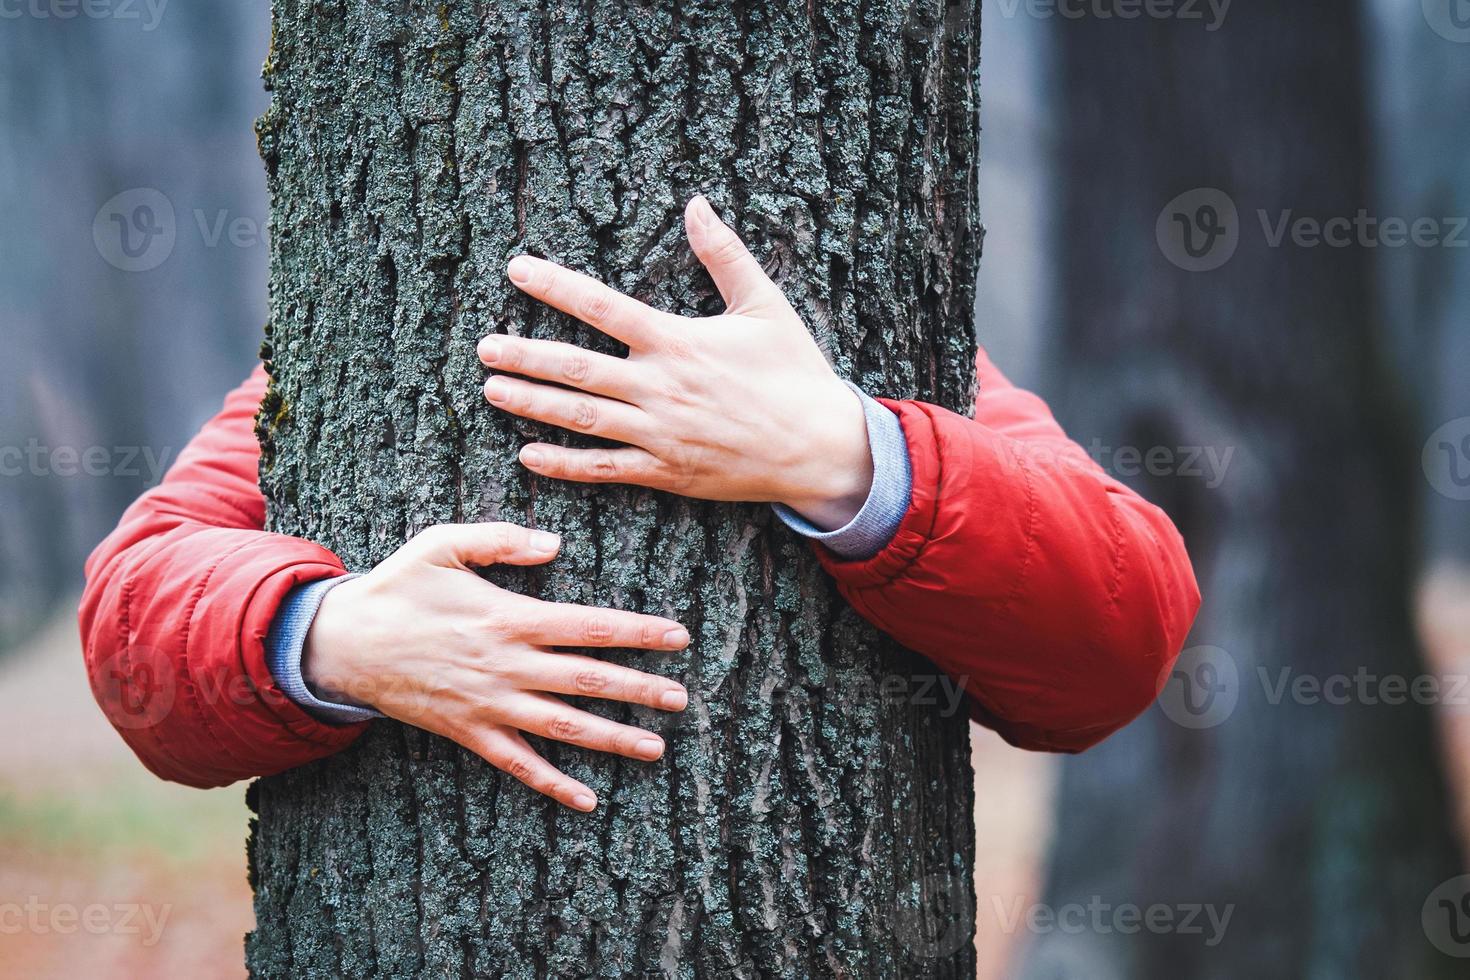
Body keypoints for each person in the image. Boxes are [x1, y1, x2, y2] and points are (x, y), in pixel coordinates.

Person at [79, 196, 1200, 813]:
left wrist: (844, 454)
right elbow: (131, 616)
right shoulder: (353, 353)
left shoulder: (898, 337)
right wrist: (325, 635)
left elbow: (1122, 636)